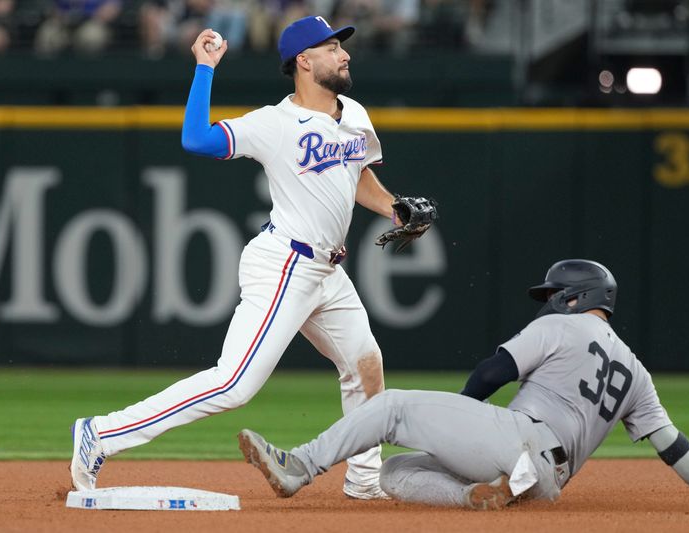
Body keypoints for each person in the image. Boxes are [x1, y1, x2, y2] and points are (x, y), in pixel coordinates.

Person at [70, 15, 435, 500]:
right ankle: (102, 433)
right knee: (233, 385)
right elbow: (196, 139)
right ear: (304, 61)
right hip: (286, 264)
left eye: (341, 47)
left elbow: (357, 177)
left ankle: (365, 479)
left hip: (328, 270)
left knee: (365, 364)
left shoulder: (355, 115)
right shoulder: (274, 122)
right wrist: (205, 69)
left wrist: (393, 208)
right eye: (331, 48)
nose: (344, 54)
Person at [238, 259, 689, 510]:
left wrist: (446, 424)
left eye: (555, 293)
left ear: (575, 298)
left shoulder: (559, 326)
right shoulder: (636, 371)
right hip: (549, 480)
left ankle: (299, 465)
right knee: (394, 473)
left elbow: (491, 373)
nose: (548, 301)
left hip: (520, 440)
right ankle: (479, 497)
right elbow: (671, 444)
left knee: (392, 406)